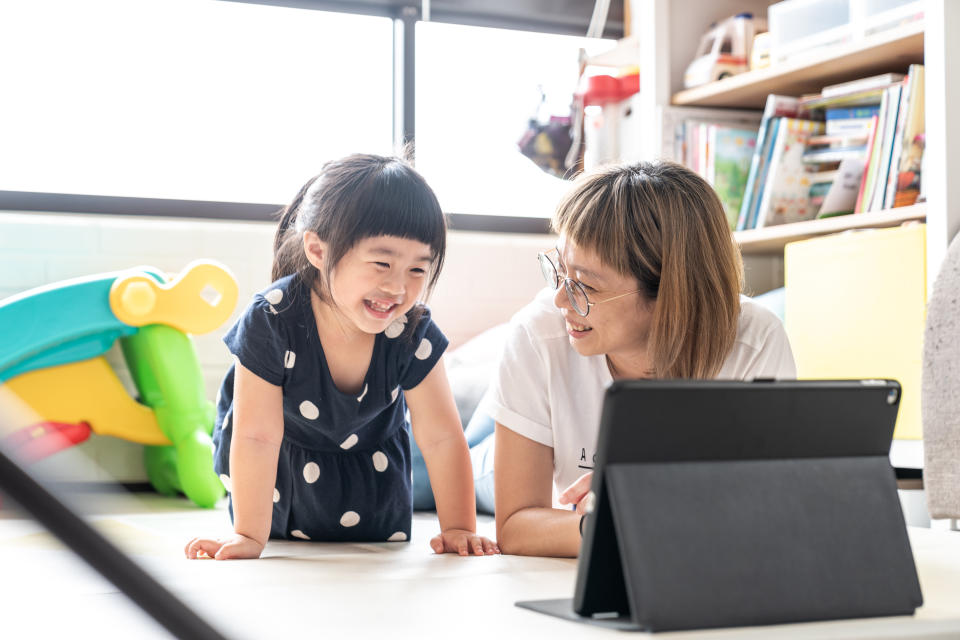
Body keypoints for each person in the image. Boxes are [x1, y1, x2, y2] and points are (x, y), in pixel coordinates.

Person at [185, 153, 498, 560]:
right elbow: (256, 436)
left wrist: (458, 528)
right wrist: (248, 535)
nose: (397, 288)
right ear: (317, 250)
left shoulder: (411, 332)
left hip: (372, 488)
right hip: (279, 486)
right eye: (381, 263)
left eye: (418, 271)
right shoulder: (272, 319)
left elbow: (440, 436)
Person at [477, 160, 796, 557]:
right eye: (559, 270)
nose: (561, 298)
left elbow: (767, 509)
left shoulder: (755, 341)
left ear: (670, 296)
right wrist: (629, 521)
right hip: (500, 441)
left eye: (585, 285)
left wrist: (641, 504)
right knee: (436, 464)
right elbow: (516, 527)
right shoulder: (538, 331)